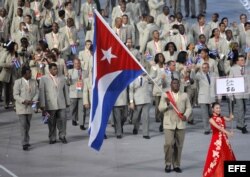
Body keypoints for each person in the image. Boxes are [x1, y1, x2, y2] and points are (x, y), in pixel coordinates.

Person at [158, 79, 192, 173]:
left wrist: (186, 115)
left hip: (181, 124)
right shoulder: (165, 95)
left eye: (177, 83)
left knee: (179, 145)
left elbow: (189, 107)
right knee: (168, 144)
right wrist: (167, 103)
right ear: (171, 84)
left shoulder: (184, 95)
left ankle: (176, 164)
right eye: (174, 83)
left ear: (179, 85)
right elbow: (160, 108)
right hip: (169, 123)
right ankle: (168, 164)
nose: (176, 85)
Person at [39, 63, 70, 144]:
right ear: (49, 70)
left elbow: (65, 90)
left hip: (61, 103)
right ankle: (52, 138)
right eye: (54, 69)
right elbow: (41, 92)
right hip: (50, 104)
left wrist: (67, 101)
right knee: (51, 122)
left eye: (56, 69)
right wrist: (42, 104)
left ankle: (62, 136)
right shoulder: (44, 78)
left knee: (63, 120)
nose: (56, 71)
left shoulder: (62, 77)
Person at [203, 102, 236, 177]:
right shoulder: (211, 119)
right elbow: (219, 128)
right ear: (212, 109)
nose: (219, 109)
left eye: (219, 108)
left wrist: (231, 117)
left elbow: (229, 119)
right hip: (216, 140)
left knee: (227, 153)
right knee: (217, 156)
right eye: (217, 108)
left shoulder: (222, 117)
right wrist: (228, 133)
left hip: (224, 139)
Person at [13, 66, 39, 151]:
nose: (30, 74)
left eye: (30, 72)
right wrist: (24, 101)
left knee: (27, 125)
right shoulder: (18, 82)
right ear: (24, 74)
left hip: (30, 107)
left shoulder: (34, 82)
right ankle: (24, 143)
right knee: (23, 125)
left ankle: (27, 141)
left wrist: (33, 100)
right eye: (29, 73)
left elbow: (37, 92)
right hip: (21, 107)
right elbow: (15, 95)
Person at [68, 58, 86, 130]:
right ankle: (74, 119)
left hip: (82, 92)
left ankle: (82, 124)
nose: (77, 65)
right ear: (73, 64)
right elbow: (68, 83)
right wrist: (68, 80)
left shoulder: (85, 72)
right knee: (73, 108)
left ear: (80, 63)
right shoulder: (70, 72)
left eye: (78, 63)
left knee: (82, 110)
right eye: (75, 63)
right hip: (73, 93)